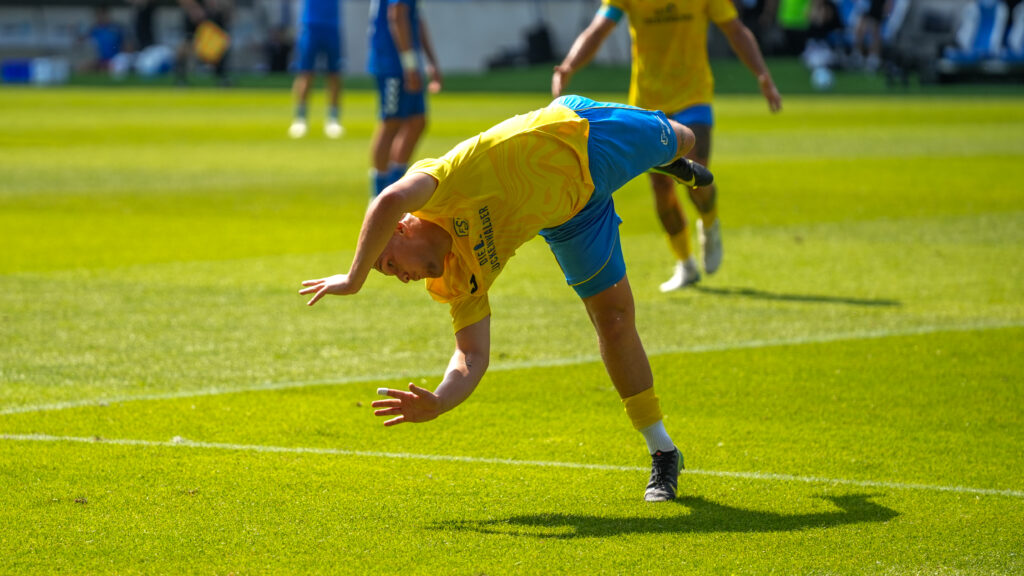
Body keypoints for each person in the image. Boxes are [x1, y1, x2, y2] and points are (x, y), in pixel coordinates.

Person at [299, 95, 714, 502]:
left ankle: (660, 157)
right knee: (614, 321)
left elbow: (388, 199)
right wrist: (440, 401)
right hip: (571, 217)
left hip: (582, 137)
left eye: (389, 265)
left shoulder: (437, 187)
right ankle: (663, 451)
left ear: (403, 228)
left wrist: (354, 279)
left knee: (686, 139)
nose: (402, 278)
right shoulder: (454, 280)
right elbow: (472, 355)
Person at [552, 0, 782, 291]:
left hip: (693, 95)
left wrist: (762, 75)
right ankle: (685, 264)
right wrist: (569, 66)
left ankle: (709, 223)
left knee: (696, 172)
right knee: (661, 188)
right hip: (649, 103)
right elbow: (599, 28)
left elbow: (735, 30)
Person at [367, 0, 442, 198]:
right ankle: (378, 196)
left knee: (417, 121)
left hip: (405, 61)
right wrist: (409, 65)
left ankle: (394, 189)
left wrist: (430, 60)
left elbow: (414, 18)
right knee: (391, 123)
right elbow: (397, 16)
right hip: (391, 63)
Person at [288, 0, 345, 139]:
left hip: (332, 26)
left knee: (334, 74)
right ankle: (300, 118)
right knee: (305, 73)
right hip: (310, 26)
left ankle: (333, 118)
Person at [175, 0, 233, 86]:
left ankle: (222, 77)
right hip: (195, 18)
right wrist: (194, 8)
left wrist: (218, 7)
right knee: (184, 47)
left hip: (212, 17)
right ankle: (181, 80)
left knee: (222, 44)